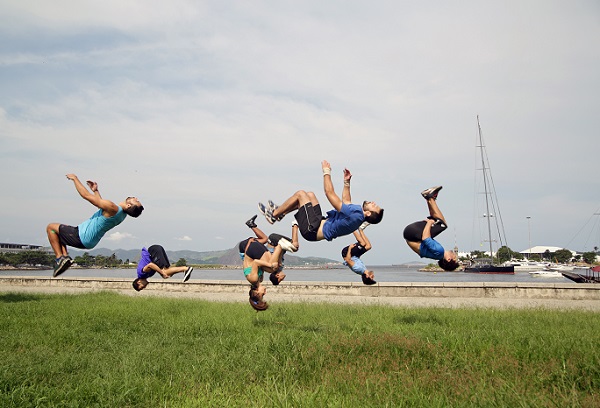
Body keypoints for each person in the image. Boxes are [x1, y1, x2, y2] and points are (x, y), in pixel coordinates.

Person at [258, 160, 383, 243]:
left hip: (311, 230)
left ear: (368, 213)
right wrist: (346, 182)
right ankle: (281, 213)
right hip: (318, 222)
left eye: (374, 206)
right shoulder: (358, 214)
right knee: (310, 195)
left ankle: (273, 215)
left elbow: (329, 193)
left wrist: (326, 172)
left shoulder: (356, 216)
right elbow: (346, 201)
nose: (373, 202)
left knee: (301, 194)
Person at [46, 174, 144, 277]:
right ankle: (65, 257)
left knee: (51, 228)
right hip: (89, 241)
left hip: (82, 236)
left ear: (129, 205)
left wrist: (75, 179)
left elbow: (86, 196)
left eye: (136, 201)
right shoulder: (121, 215)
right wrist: (96, 191)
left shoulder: (113, 208)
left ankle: (59, 258)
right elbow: (101, 208)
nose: (136, 198)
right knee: (58, 234)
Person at [240, 215, 299, 311]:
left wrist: (271, 265)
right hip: (253, 252)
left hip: (251, 251)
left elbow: (255, 262)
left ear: (256, 293)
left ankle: (279, 246)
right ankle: (279, 247)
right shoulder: (260, 279)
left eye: (262, 294)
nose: (265, 293)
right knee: (273, 268)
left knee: (272, 268)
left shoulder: (253, 279)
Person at [403, 186, 459, 271]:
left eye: (455, 258)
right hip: (410, 235)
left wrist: (429, 222)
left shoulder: (439, 251)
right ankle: (429, 198)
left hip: (412, 233)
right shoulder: (436, 255)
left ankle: (430, 197)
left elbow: (425, 238)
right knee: (437, 220)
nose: (455, 255)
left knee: (443, 224)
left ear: (448, 259)